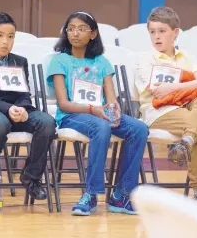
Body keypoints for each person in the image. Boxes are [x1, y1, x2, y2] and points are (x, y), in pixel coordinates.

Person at [47, 11, 149, 216]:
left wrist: (114, 109)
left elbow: (111, 98)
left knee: (139, 128)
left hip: (100, 113)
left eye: (81, 29)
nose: (75, 33)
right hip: (73, 115)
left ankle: (122, 195)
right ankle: (91, 194)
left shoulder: (102, 62)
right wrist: (93, 110)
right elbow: (64, 104)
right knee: (100, 127)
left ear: (93, 34)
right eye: (71, 29)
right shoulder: (60, 61)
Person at [0, 12, 56, 205]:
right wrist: (9, 109)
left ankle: (31, 177)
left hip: (17, 111)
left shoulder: (19, 61)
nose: (6, 41)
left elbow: (24, 93)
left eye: (11, 36)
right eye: (0, 35)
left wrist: (23, 108)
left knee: (47, 122)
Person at [134, 7, 197, 205]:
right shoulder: (145, 58)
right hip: (159, 112)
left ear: (175, 33)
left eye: (162, 31)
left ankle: (186, 142)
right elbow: (158, 92)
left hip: (190, 109)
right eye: (152, 32)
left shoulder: (186, 56)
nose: (156, 36)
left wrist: (173, 87)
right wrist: (190, 83)